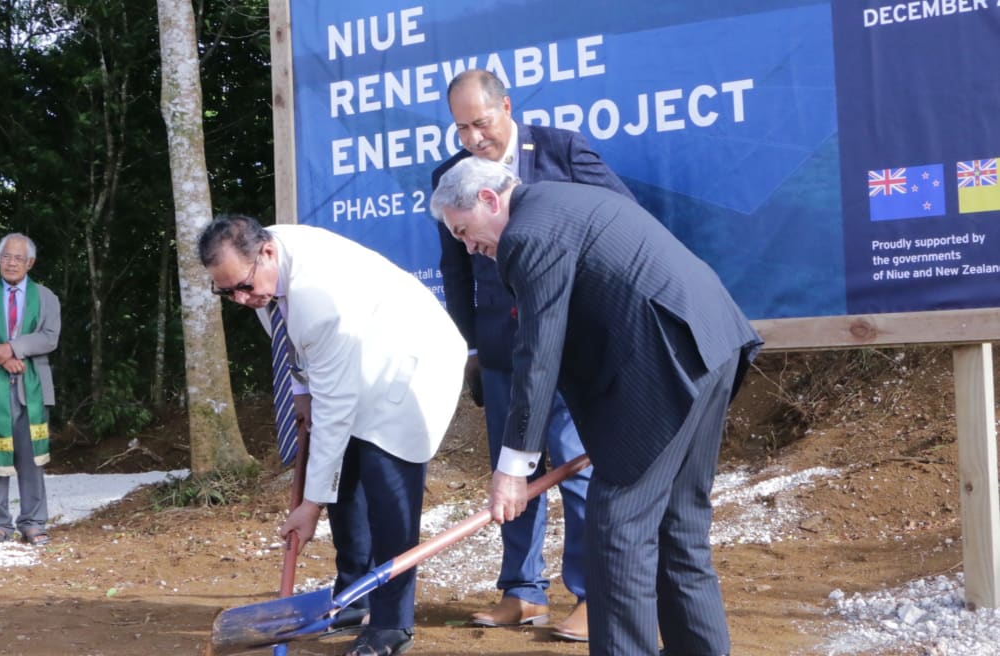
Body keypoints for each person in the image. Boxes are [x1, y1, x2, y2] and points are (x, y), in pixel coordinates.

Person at [430, 157, 762, 656]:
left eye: (463, 230)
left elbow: (538, 355)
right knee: (679, 530)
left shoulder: (527, 235)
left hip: (666, 364)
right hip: (711, 347)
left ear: (489, 200)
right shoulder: (561, 204)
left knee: (618, 531)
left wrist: (514, 467)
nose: (467, 245)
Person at [198, 215, 465, 656]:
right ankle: (352, 598)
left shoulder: (319, 294)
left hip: (408, 364)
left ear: (265, 252)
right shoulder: (268, 272)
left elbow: (335, 411)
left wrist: (308, 504)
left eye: (243, 286)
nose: (242, 299)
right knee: (345, 485)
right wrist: (301, 392)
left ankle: (391, 624)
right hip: (355, 360)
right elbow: (292, 340)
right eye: (226, 292)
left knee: (386, 489)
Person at [432, 68, 635, 641]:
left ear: (506, 107)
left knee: (575, 468)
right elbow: (457, 271)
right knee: (510, 468)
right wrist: (472, 346)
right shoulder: (451, 178)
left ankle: (596, 596)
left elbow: (618, 221)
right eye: (460, 127)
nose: (472, 138)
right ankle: (522, 592)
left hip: (571, 342)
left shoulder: (561, 150)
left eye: (481, 122)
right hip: (502, 347)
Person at [0, 233, 61, 548]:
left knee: (33, 457)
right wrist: (2, 358)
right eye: (6, 256)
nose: (11, 262)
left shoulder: (46, 298)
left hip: (33, 388)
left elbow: (49, 337)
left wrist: (12, 349)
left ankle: (33, 522)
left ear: (30, 262)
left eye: (18, 258)